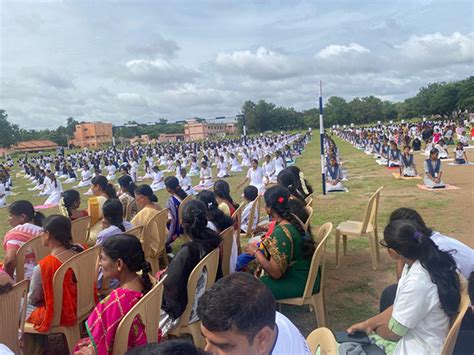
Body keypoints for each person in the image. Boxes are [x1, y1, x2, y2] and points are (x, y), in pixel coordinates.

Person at [348, 219, 461, 355]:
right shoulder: (427, 262)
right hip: (425, 341)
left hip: (419, 349)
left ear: (392, 253)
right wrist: (368, 324)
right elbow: (399, 307)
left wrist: (373, 331)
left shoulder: (417, 282)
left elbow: (394, 333)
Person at [197, 272, 311, 355]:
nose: (206, 351)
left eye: (223, 346)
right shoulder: (267, 318)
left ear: (262, 339)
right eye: (206, 340)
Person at [75, 234, 152, 354]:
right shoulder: (146, 281)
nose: (100, 263)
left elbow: (99, 344)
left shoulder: (117, 299)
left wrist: (89, 350)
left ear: (119, 264)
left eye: (103, 258)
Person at [159, 200, 222, 334]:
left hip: (188, 308)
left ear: (182, 222)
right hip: (206, 297)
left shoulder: (189, 251)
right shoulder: (213, 241)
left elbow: (171, 286)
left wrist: (160, 279)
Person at [245, 186, 318, 300]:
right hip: (308, 275)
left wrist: (256, 252)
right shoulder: (293, 219)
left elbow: (275, 273)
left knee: (248, 289)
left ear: (269, 208)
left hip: (299, 281)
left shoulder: (281, 232)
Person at [26, 215, 85, 333]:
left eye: (41, 231)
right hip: (82, 304)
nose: (40, 235)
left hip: (59, 313)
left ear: (47, 234)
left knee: (15, 306)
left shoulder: (44, 266)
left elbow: (33, 299)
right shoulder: (81, 250)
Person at [2, 201, 45, 279]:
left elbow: (10, 261)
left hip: (23, 280)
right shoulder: (44, 231)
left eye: (11, 216)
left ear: (22, 217)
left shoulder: (15, 234)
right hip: (46, 275)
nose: (8, 219)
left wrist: (9, 280)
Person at [131, 185, 162, 253]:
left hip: (150, 246)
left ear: (142, 198)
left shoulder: (144, 213)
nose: (136, 201)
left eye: (136, 198)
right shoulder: (157, 206)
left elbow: (132, 230)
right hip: (162, 240)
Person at [87, 176, 117, 244]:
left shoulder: (95, 201)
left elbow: (90, 222)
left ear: (97, 186)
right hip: (115, 227)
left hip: (100, 231)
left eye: (92, 186)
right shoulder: (113, 197)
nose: (91, 188)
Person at [164, 176, 187, 248]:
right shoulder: (184, 194)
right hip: (185, 220)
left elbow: (174, 220)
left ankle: (165, 246)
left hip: (179, 226)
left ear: (168, 188)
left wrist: (170, 237)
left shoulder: (172, 201)